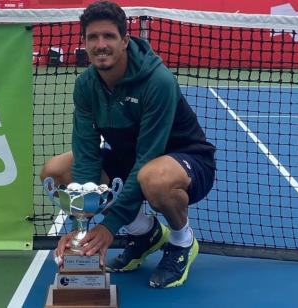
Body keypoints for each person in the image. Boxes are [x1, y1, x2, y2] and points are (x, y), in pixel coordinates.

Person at [41, 0, 216, 288]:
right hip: (131, 160)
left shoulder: (157, 81)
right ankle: (144, 232)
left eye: (108, 36)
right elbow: (86, 153)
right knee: (57, 170)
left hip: (185, 163)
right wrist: (80, 227)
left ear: (124, 40)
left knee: (153, 178)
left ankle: (182, 241)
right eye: (93, 37)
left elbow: (150, 154)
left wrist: (109, 227)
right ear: (83, 42)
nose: (101, 44)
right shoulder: (86, 85)